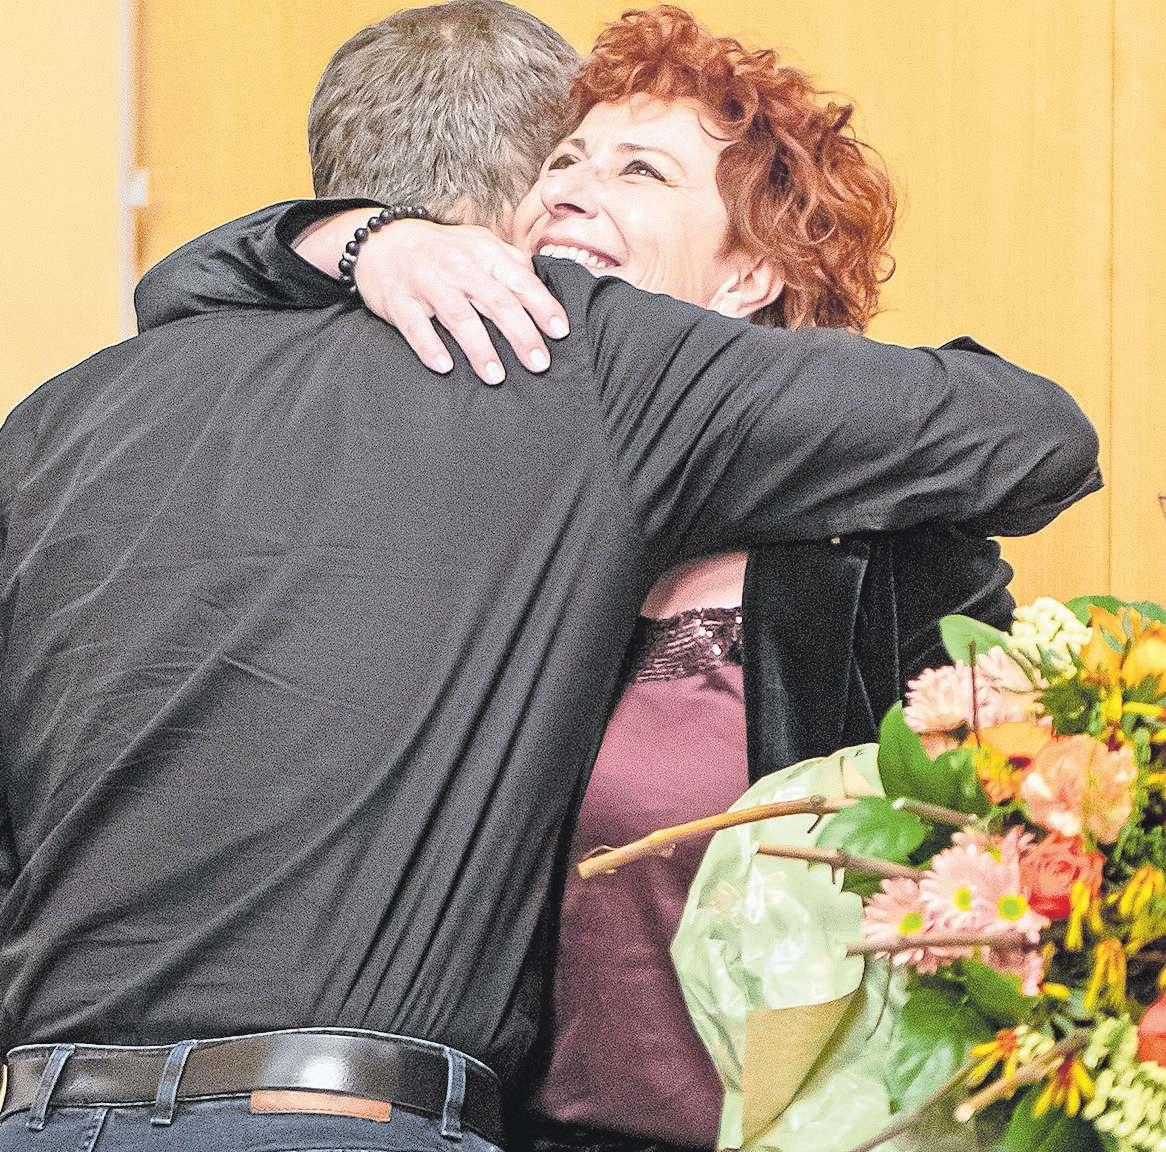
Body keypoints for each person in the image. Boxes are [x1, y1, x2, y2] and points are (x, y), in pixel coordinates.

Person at [0, 5, 1097, 1152]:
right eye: (561, 161)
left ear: (748, 278)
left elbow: (984, 888)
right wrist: (365, 241)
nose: (572, 190)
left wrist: (342, 235)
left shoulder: (850, 546)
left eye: (638, 170)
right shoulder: (477, 455)